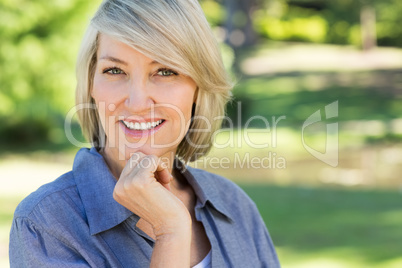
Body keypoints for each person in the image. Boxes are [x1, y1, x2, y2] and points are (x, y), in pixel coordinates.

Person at [9, 0, 280, 267]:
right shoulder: (45, 224)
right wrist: (170, 232)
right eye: (114, 70)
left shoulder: (234, 206)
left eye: (165, 71)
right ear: (91, 83)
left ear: (198, 87)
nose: (137, 103)